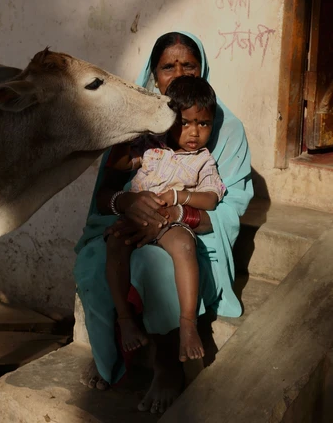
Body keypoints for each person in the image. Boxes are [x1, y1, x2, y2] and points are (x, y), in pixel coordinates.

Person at [74, 31, 253, 415]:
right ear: (152, 75)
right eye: (167, 67)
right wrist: (128, 201)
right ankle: (113, 352)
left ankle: (167, 366)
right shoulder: (139, 127)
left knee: (154, 265)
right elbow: (105, 191)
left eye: (187, 65)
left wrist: (173, 214)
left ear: (202, 69)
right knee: (93, 263)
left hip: (187, 231)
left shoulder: (222, 126)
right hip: (130, 222)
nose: (176, 74)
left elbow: (228, 205)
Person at [105, 75, 225, 362]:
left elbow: (210, 198)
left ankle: (187, 324)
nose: (194, 132)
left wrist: (179, 197)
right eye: (185, 122)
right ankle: (125, 320)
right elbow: (119, 163)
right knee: (115, 245)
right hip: (137, 219)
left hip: (171, 224)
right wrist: (129, 128)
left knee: (184, 245)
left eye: (203, 123)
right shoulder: (151, 146)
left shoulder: (203, 160)